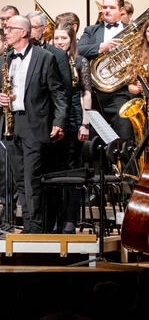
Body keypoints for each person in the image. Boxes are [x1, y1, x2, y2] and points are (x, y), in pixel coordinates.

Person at [0, 15, 66, 233]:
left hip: (34, 124)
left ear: (23, 32)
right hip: (11, 123)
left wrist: (59, 121)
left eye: (10, 28)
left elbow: (59, 93)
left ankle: (35, 227)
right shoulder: (4, 59)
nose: (6, 32)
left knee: (32, 177)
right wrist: (0, 98)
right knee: (19, 179)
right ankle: (27, 224)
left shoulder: (44, 57)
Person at [79, 0, 135, 140]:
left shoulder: (131, 31)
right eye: (104, 7)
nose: (106, 10)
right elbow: (78, 49)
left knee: (124, 139)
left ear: (121, 10)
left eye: (111, 7)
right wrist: (101, 47)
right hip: (97, 94)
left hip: (122, 93)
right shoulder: (91, 30)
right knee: (98, 144)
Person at [51, 23, 91, 233]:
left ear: (71, 40)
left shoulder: (79, 61)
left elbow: (86, 93)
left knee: (73, 171)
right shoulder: (49, 60)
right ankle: (56, 218)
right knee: (55, 173)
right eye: (56, 39)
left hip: (75, 120)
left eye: (63, 39)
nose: (59, 42)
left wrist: (85, 122)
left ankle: (70, 219)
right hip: (55, 122)